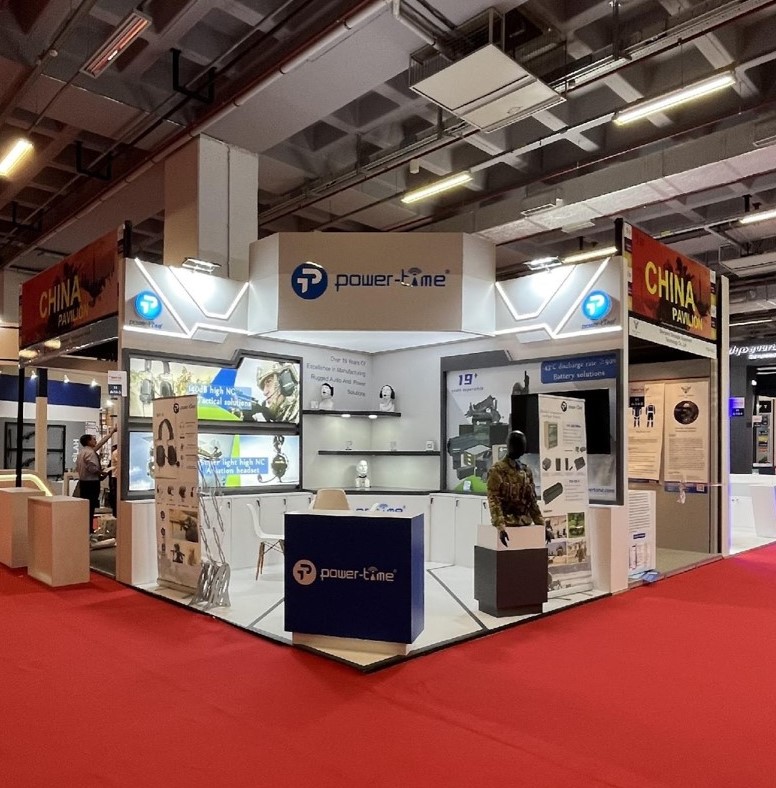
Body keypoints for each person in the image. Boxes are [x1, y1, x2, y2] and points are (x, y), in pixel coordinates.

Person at [486, 430, 544, 547]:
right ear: (510, 445)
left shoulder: (526, 471)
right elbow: (494, 500)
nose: (521, 448)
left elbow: (532, 502)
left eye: (522, 445)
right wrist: (500, 526)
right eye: (518, 444)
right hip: (508, 523)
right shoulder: (497, 471)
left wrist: (542, 526)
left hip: (525, 524)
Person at [76, 427, 116, 532]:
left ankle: (86, 527)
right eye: (93, 439)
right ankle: (89, 529)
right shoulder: (90, 453)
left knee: (87, 506)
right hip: (91, 484)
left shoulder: (83, 452)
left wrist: (111, 433)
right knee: (91, 506)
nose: (96, 441)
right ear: (89, 441)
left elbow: (101, 443)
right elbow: (92, 468)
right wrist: (101, 473)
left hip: (84, 483)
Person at [106, 443, 119, 517]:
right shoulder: (116, 453)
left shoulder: (116, 453)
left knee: (114, 494)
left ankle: (116, 512)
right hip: (116, 476)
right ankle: (116, 512)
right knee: (115, 495)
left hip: (115, 476)